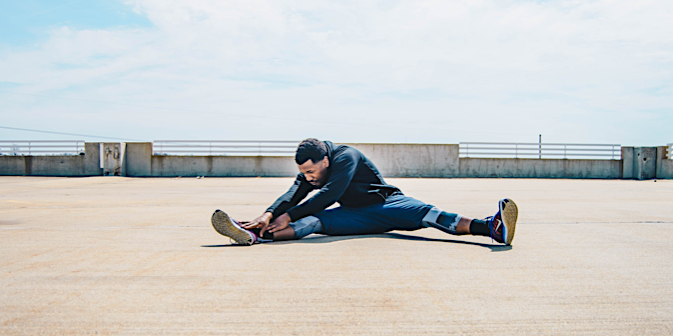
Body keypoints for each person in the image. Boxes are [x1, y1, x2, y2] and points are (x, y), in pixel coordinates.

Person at [211, 138, 518, 246]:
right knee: (314, 223)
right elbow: (294, 193)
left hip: (388, 205)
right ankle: (253, 234)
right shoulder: (311, 169)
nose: (308, 178)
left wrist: (288, 214)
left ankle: (491, 227)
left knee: (431, 215)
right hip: (353, 216)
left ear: (326, 160)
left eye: (312, 172)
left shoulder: (346, 157)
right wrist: (269, 214)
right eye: (305, 173)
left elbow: (329, 194)